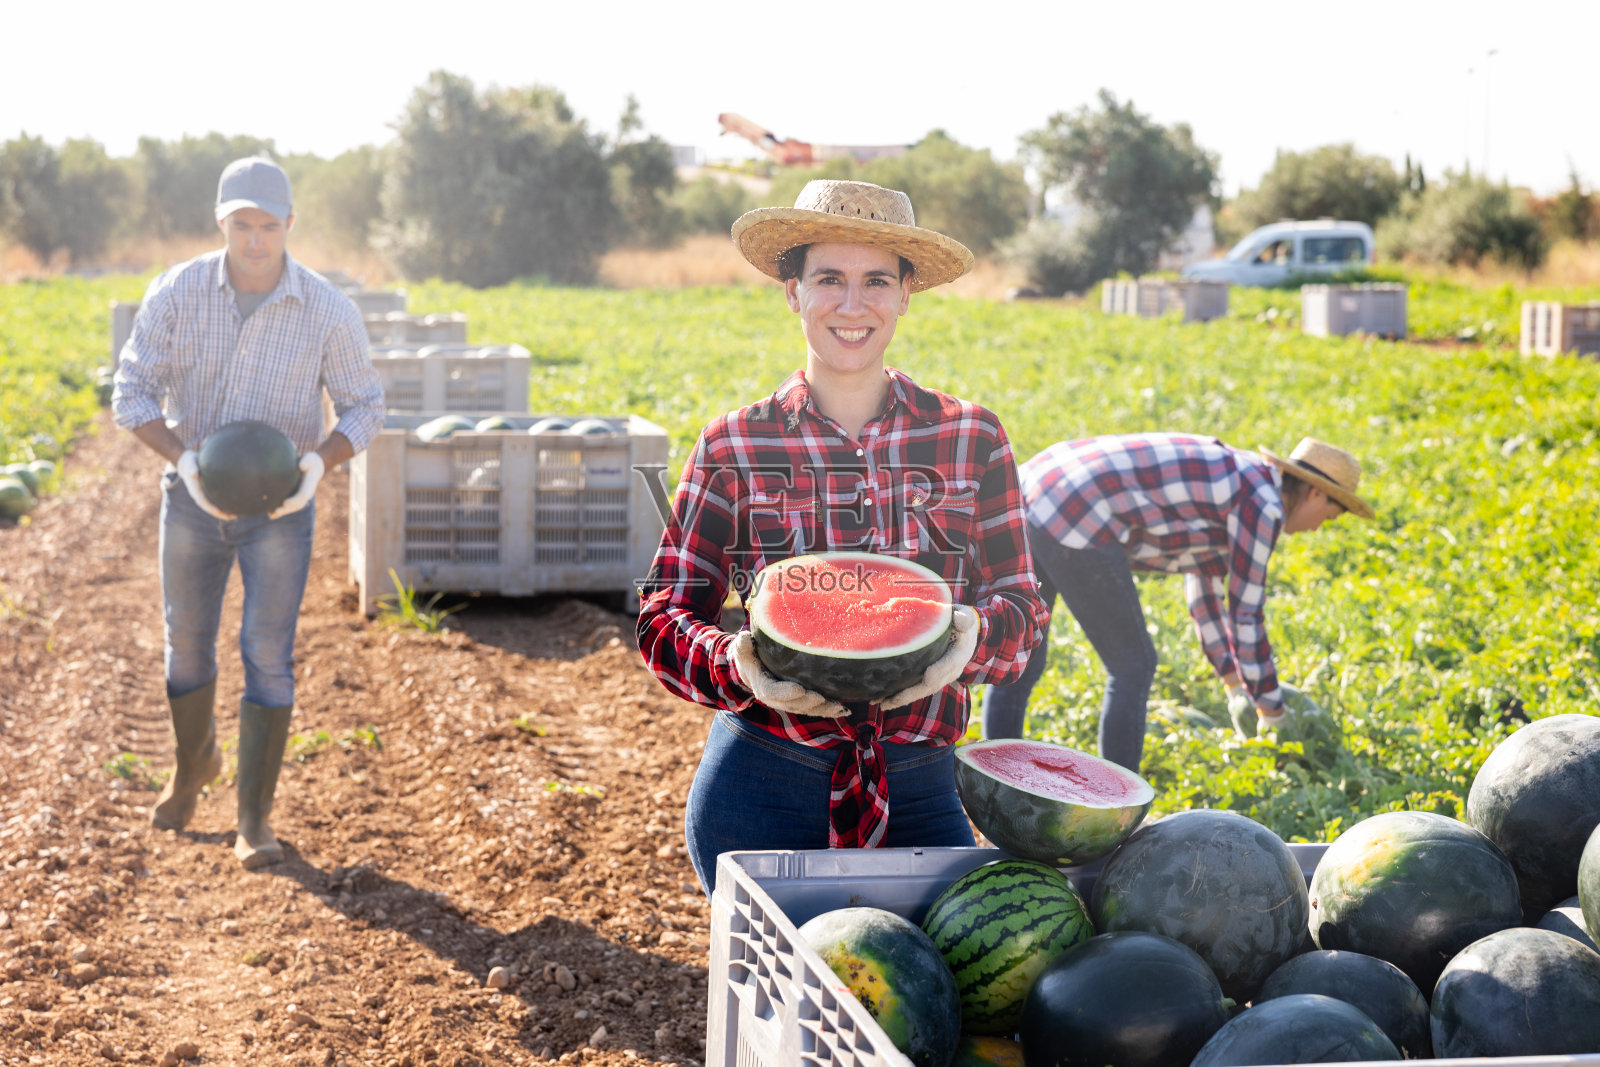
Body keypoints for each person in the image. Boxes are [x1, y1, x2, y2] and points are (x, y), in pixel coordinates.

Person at [636, 180, 1048, 896]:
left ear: (905, 293)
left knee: (915, 1000)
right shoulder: (735, 444)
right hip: (761, 781)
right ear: (792, 291)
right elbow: (662, 617)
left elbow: (1025, 612)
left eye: (876, 281)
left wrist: (970, 639)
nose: (852, 305)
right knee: (781, 1000)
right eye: (829, 278)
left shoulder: (970, 437)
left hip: (921, 780)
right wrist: (737, 666)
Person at [112, 156, 384, 870]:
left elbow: (366, 404)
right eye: (241, 225)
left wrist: (319, 463)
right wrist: (184, 459)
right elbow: (131, 389)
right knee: (187, 642)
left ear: (290, 225)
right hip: (194, 499)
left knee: (266, 652)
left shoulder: (326, 308)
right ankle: (191, 766)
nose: (255, 240)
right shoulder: (178, 291)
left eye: (268, 225)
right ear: (220, 223)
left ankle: (253, 818)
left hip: (280, 509)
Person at [982, 433, 1374, 767]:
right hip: (1076, 506)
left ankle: (995, 776)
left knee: (1024, 651)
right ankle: (1117, 808)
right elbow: (1246, 615)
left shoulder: (1246, 478)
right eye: (1329, 516)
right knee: (1133, 666)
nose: (1319, 528)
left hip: (1037, 483)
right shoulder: (1264, 506)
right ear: (1315, 492)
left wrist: (1235, 683)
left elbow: (1204, 596)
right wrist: (1272, 711)